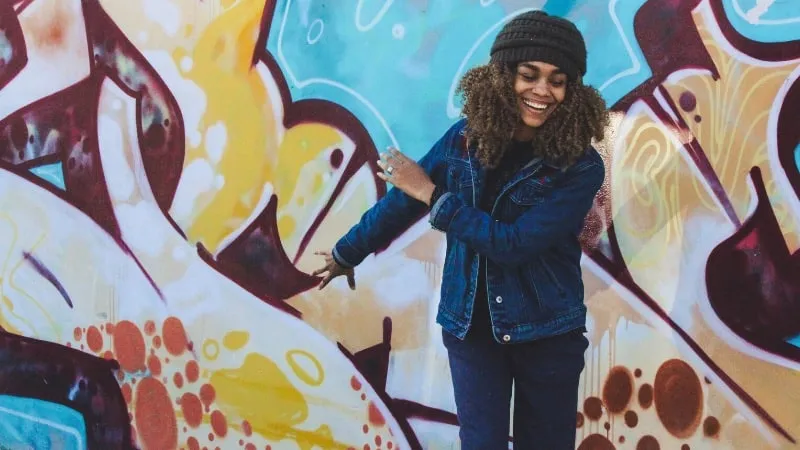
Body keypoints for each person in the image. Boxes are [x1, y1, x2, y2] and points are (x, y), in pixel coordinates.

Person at [313, 10, 609, 450]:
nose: (542, 90)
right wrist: (347, 252)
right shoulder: (464, 139)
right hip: (471, 329)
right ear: (503, 76)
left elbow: (514, 244)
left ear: (573, 91)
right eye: (528, 75)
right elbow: (402, 200)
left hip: (547, 331)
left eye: (557, 80)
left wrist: (433, 196)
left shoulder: (581, 166)